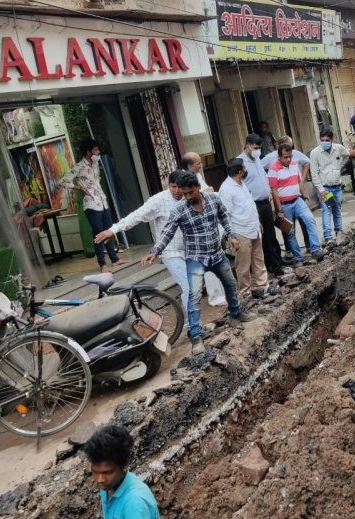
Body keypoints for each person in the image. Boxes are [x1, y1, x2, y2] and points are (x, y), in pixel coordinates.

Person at [142, 172, 254, 356]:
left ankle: (236, 313)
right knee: (193, 296)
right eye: (184, 193)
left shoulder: (213, 201)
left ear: (198, 188)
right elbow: (167, 232)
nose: (186, 196)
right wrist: (155, 251)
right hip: (195, 257)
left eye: (190, 192)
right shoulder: (179, 210)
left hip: (216, 254)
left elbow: (224, 217)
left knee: (231, 283)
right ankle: (196, 335)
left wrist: (231, 236)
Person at [94, 170, 189, 312]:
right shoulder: (158, 200)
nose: (177, 191)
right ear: (168, 185)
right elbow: (137, 215)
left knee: (195, 285)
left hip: (191, 249)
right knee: (188, 286)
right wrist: (114, 230)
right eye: (173, 187)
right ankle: (194, 326)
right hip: (170, 250)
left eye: (180, 187)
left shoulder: (190, 196)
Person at [59, 138, 127, 272]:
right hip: (91, 205)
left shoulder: (96, 163)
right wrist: (78, 187)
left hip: (102, 202)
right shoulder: (79, 167)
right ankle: (102, 264)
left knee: (108, 231)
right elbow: (63, 181)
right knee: (98, 234)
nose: (98, 152)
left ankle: (115, 259)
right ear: (88, 152)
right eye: (95, 149)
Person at [180, 151, 227, 308]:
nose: (201, 166)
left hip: (209, 226)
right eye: (198, 163)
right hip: (196, 232)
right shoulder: (184, 182)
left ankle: (221, 293)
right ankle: (215, 296)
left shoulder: (198, 177)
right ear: (189, 166)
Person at [219, 158, 270, 299]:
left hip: (253, 227)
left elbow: (249, 205)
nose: (247, 170)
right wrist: (231, 236)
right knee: (243, 265)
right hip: (240, 231)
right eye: (245, 168)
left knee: (258, 259)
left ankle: (263, 286)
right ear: (241, 171)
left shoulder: (241, 183)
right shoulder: (226, 189)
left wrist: (257, 222)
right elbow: (225, 215)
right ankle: (245, 293)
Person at [238, 133, 285, 277]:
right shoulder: (240, 162)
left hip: (265, 203)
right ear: (247, 145)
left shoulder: (257, 158)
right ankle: (265, 268)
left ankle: (276, 265)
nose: (258, 150)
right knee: (260, 237)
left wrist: (270, 193)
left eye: (259, 147)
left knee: (271, 235)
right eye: (255, 147)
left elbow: (263, 177)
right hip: (253, 205)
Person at [268, 144, 324, 264]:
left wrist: (305, 196)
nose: (288, 159)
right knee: (290, 231)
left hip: (298, 200)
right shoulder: (273, 170)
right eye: (285, 157)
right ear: (279, 156)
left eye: (290, 156)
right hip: (285, 205)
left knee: (310, 220)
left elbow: (299, 181)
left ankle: (315, 250)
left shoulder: (294, 164)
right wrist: (280, 210)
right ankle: (298, 258)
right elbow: (274, 192)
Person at [261, 136, 312, 255]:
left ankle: (309, 245)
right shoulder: (270, 158)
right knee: (286, 226)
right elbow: (259, 168)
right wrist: (266, 183)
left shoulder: (294, 154)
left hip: (296, 193)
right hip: (281, 196)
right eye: (288, 147)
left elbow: (307, 162)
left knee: (305, 221)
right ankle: (289, 250)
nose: (289, 155)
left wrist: (303, 178)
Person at [309, 127, 349, 246]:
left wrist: (340, 166)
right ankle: (328, 237)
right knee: (327, 210)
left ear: (332, 139)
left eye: (327, 140)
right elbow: (314, 173)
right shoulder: (315, 153)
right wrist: (321, 190)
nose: (325, 142)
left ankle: (338, 233)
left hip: (337, 187)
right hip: (326, 188)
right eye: (322, 140)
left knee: (337, 210)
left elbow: (347, 155)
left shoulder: (338, 149)